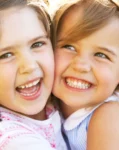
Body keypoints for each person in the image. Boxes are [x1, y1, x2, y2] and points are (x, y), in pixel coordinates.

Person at [52, 0, 119, 149]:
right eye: (69, 47)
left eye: (101, 55)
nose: (81, 65)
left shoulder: (111, 117)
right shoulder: (48, 106)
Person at [0, 0, 67, 149]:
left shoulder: (60, 100)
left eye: (37, 44)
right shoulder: (14, 141)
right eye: (5, 55)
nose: (29, 66)